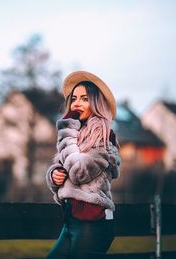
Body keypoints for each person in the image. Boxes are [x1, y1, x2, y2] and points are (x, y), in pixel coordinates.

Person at [45, 71, 121, 259]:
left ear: (95, 103)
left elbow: (79, 172)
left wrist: (67, 130)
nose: (77, 103)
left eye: (85, 99)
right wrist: (54, 174)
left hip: (93, 222)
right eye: (74, 99)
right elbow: (63, 166)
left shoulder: (103, 137)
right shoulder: (75, 134)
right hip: (72, 219)